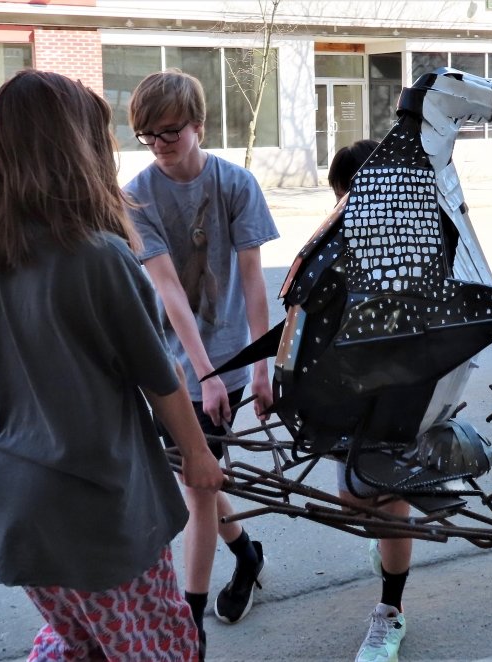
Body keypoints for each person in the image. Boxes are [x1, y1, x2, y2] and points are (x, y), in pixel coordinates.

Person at [0, 69, 223, 661]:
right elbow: (161, 378)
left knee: (80, 644)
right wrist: (199, 456)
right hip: (96, 507)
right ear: (77, 147)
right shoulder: (100, 256)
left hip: (12, 502)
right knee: (163, 648)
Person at [123, 69, 279, 654]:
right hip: (168, 366)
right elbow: (167, 290)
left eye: (170, 132)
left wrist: (259, 368)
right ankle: (245, 552)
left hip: (231, 363)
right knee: (200, 476)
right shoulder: (135, 195)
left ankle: (190, 629)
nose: (161, 145)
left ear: (198, 125)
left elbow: (254, 281)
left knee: (197, 486)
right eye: (148, 136)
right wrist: (200, 373)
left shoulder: (236, 183)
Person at [327, 137, 412, 662]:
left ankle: (391, 612)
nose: (345, 210)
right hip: (348, 400)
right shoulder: (333, 248)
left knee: (388, 508)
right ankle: (389, 555)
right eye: (340, 199)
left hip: (400, 398)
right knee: (355, 500)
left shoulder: (415, 246)